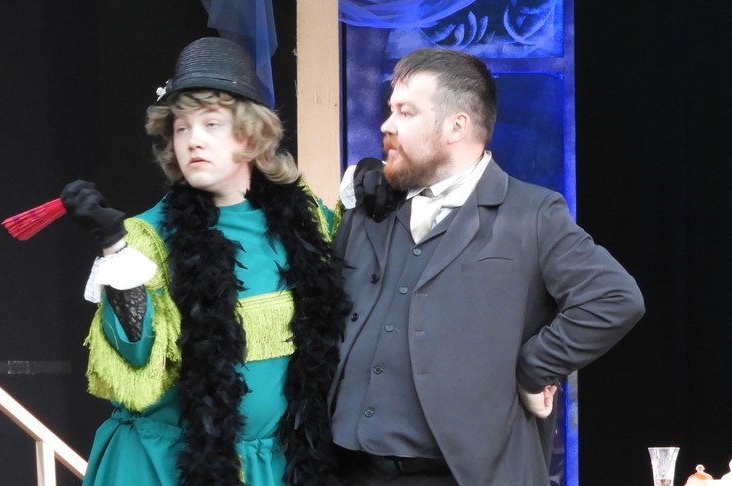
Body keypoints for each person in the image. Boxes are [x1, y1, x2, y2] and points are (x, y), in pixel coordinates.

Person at [330, 48, 645, 485]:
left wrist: (534, 368)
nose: (387, 124)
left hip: (462, 475)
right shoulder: (370, 208)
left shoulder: (532, 214)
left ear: (456, 126)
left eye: (405, 112)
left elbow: (614, 298)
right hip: (346, 470)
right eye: (390, 110)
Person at [61, 37, 349, 485]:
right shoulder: (148, 237)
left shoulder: (309, 222)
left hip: (280, 467)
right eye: (181, 128)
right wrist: (114, 245)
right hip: (172, 467)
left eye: (211, 124)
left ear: (250, 134)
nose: (193, 140)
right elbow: (135, 354)